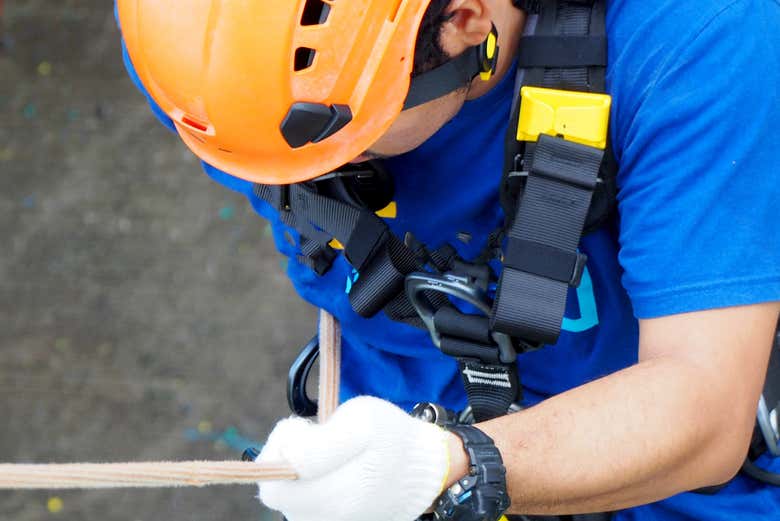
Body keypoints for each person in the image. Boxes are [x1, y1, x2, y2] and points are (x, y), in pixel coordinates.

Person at [116, 1, 780, 520]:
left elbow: (702, 404)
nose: (318, 179)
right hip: (386, 442)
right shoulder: (192, 57)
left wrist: (450, 465)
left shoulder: (699, 38)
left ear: (465, 24)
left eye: (346, 142)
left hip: (660, 475)